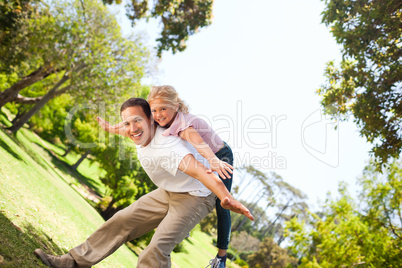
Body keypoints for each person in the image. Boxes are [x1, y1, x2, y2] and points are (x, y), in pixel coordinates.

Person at [34, 98, 253, 268]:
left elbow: (201, 172)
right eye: (127, 123)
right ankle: (71, 263)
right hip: (170, 191)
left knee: (156, 250)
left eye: (137, 121)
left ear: (151, 120)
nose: (131, 129)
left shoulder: (167, 145)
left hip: (197, 196)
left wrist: (226, 197)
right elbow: (128, 125)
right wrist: (112, 128)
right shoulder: (137, 129)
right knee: (121, 220)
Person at [100, 85, 235, 268]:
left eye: (163, 109)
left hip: (220, 155)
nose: (158, 114)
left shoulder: (184, 123)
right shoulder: (158, 120)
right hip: (204, 158)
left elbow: (199, 143)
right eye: (154, 110)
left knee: (222, 202)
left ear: (176, 106)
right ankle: (184, 224)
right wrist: (111, 128)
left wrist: (214, 160)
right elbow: (130, 126)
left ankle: (221, 258)